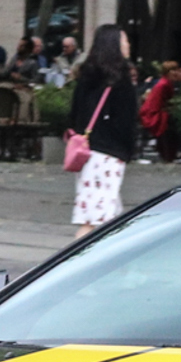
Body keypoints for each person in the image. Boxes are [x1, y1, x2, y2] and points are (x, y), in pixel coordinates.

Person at [67, 24, 140, 237]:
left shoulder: (87, 76)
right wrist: (128, 148)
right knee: (94, 221)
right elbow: (126, 120)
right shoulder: (120, 79)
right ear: (114, 45)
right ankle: (73, 264)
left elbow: (73, 114)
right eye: (124, 40)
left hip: (87, 151)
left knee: (108, 218)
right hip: (109, 154)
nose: (128, 45)